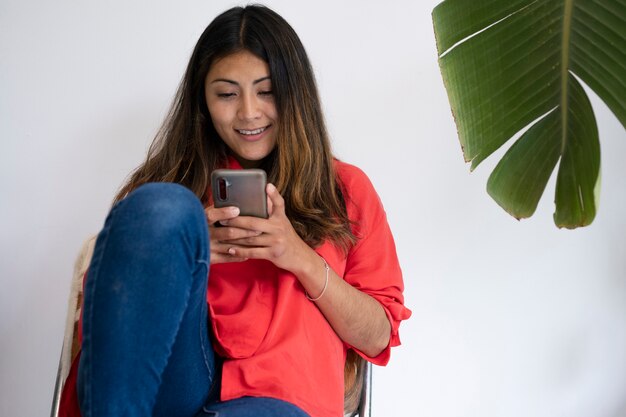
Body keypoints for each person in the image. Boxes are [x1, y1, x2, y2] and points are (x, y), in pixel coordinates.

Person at [58, 4, 411, 417]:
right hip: (170, 387)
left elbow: (376, 335)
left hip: (278, 398)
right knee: (165, 208)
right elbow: (112, 323)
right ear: (203, 102)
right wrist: (184, 254)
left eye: (266, 91)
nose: (248, 112)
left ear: (295, 94)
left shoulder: (346, 190)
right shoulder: (169, 187)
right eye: (226, 94)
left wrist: (299, 257)